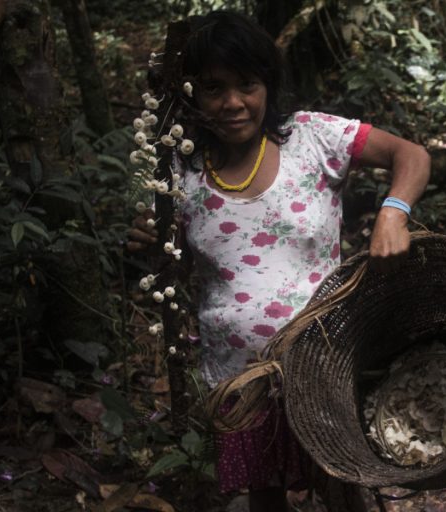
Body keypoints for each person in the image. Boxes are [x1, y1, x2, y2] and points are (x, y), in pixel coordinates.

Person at [128, 10, 430, 512]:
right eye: (212, 88)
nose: (232, 103)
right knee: (265, 495)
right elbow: (174, 269)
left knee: (343, 482)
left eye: (247, 84)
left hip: (324, 360)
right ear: (191, 94)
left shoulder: (313, 138)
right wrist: (147, 241)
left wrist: (393, 214)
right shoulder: (179, 169)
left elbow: (412, 155)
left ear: (267, 83)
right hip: (238, 373)